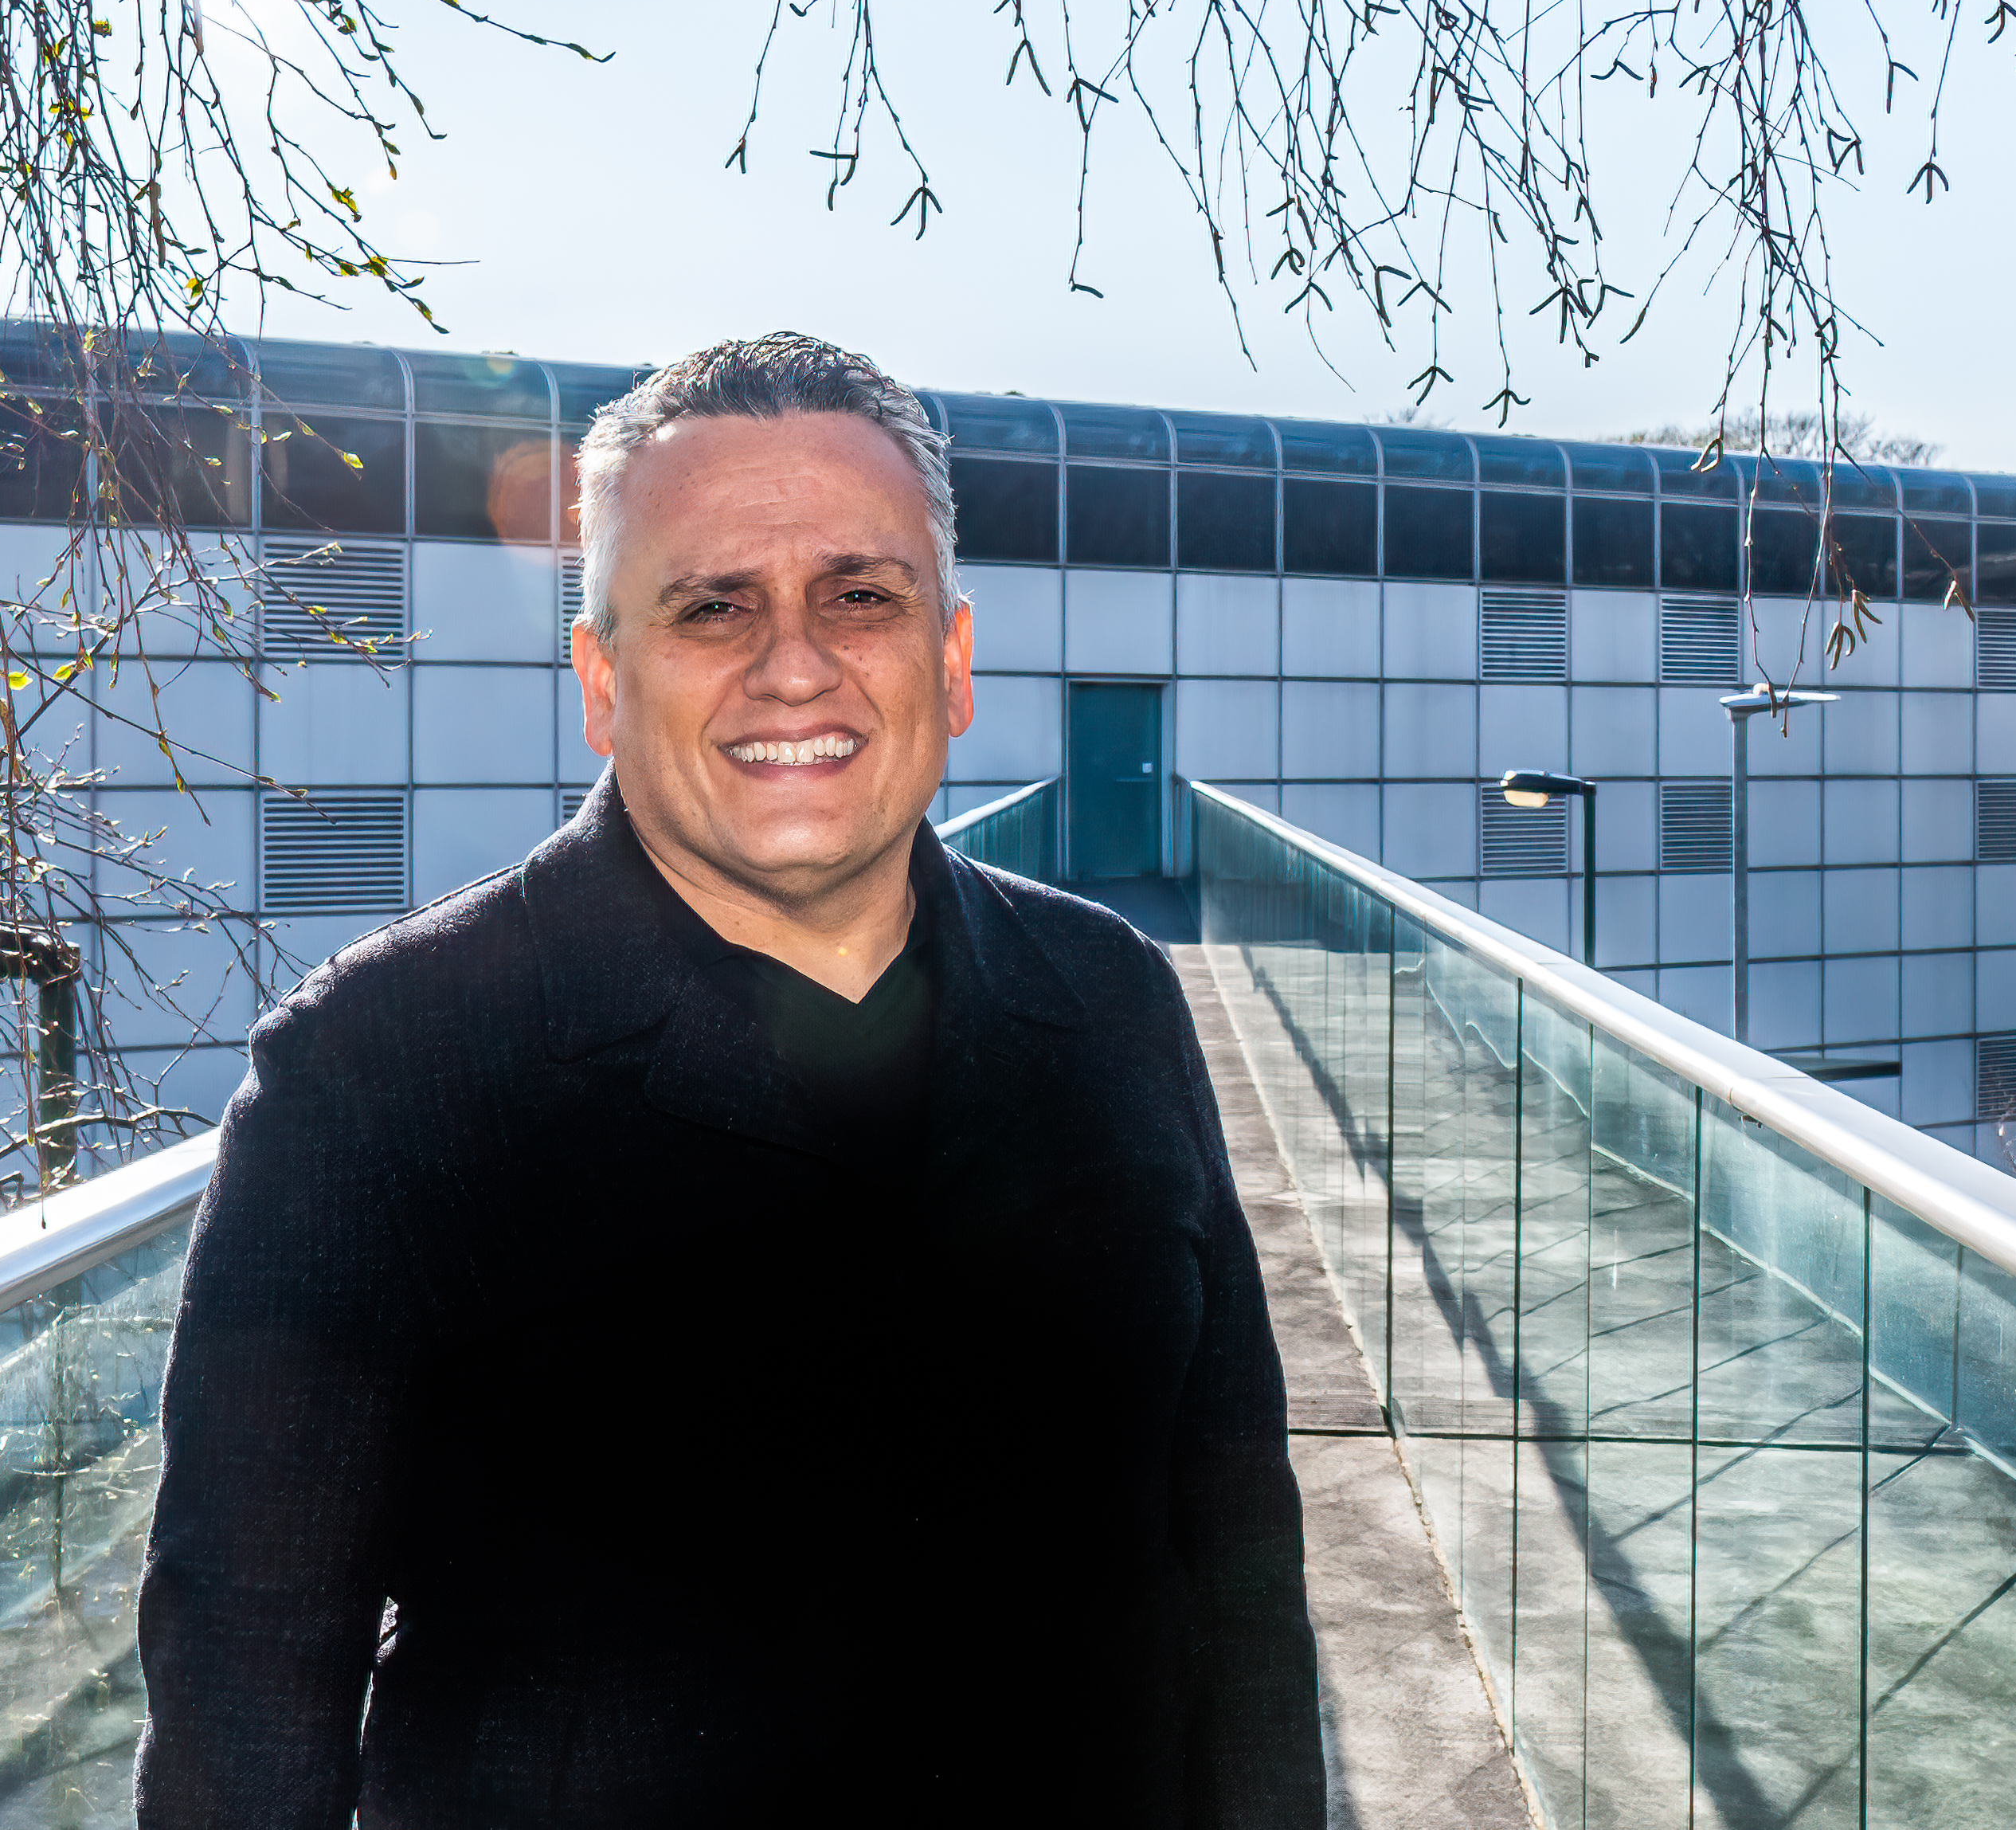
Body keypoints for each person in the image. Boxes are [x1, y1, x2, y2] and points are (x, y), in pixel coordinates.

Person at [133, 333, 1325, 1828]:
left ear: (948, 662)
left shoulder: (1112, 999)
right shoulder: (379, 1069)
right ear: (601, 677)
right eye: (712, 605)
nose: (793, 663)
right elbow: (245, 1691)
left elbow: (1237, 1561)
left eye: (859, 594)